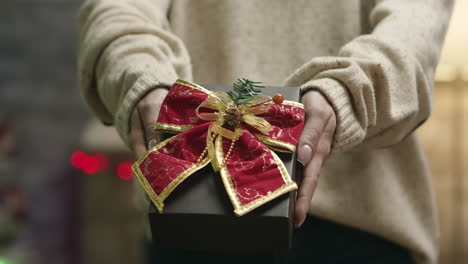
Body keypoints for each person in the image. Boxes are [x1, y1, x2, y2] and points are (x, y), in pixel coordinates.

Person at [78, 0, 453, 263]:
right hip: (192, 216)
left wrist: (347, 92)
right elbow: (118, 10)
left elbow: (414, 26)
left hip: (363, 229)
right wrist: (142, 77)